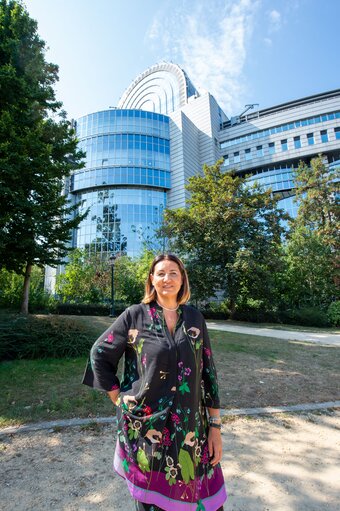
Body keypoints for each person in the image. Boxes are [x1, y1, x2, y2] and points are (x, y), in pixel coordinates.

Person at [83, 253, 227, 511]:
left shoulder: (195, 319)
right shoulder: (134, 316)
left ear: (182, 279)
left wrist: (214, 426)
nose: (167, 278)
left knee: (202, 499)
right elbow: (99, 352)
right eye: (160, 273)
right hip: (146, 428)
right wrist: (117, 395)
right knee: (152, 502)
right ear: (152, 279)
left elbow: (208, 375)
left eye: (173, 273)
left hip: (189, 429)